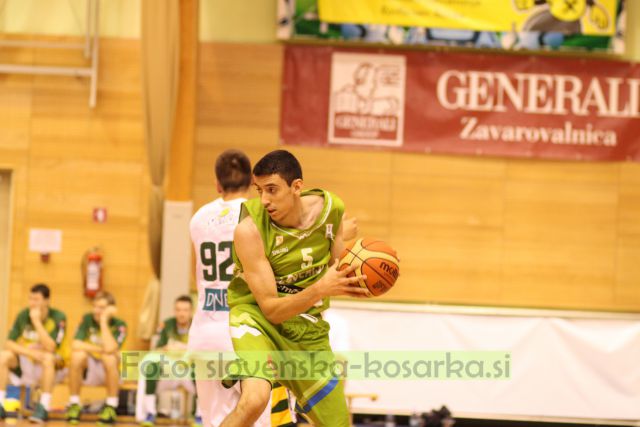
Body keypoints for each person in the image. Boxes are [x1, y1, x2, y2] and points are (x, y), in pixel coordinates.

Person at [220, 149, 367, 427]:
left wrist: (365, 272)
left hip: (305, 326)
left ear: (296, 187)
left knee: (338, 424)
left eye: (272, 190)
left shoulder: (331, 210)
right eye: (259, 190)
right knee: (254, 401)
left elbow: (340, 263)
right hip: (257, 319)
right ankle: (259, 371)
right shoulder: (248, 230)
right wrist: (321, 288)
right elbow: (272, 310)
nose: (264, 200)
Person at [188, 149, 271, 427]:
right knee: (256, 419)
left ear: (217, 184)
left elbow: (195, 274)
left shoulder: (199, 218)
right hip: (244, 332)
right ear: (251, 183)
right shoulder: (258, 215)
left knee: (214, 421)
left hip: (205, 331)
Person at [0, 284, 66, 424]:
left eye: (36, 299)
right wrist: (30, 351)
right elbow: (8, 343)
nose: (32, 303)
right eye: (30, 298)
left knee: (48, 357)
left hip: (52, 367)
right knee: (3, 356)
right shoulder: (23, 315)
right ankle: (1, 403)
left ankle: (43, 406)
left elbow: (51, 347)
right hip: (27, 362)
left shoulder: (58, 317)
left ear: (47, 301)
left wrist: (36, 321)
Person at [136, 295, 202, 427]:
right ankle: (150, 413)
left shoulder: (198, 325)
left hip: (188, 369)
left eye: (185, 310)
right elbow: (159, 349)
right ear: (174, 310)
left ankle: (199, 415)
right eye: (178, 310)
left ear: (191, 311)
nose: (181, 313)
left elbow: (200, 350)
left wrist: (182, 349)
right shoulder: (166, 325)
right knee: (151, 367)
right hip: (169, 369)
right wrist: (168, 348)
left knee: (201, 370)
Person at [66, 291, 127, 425]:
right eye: (95, 306)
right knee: (77, 356)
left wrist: (104, 322)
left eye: (101, 308)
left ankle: (111, 407)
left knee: (109, 358)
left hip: (112, 372)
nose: (96, 310)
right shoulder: (87, 319)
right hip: (91, 368)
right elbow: (75, 343)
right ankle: (74, 404)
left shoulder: (120, 324)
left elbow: (111, 348)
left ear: (111, 310)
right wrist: (100, 349)